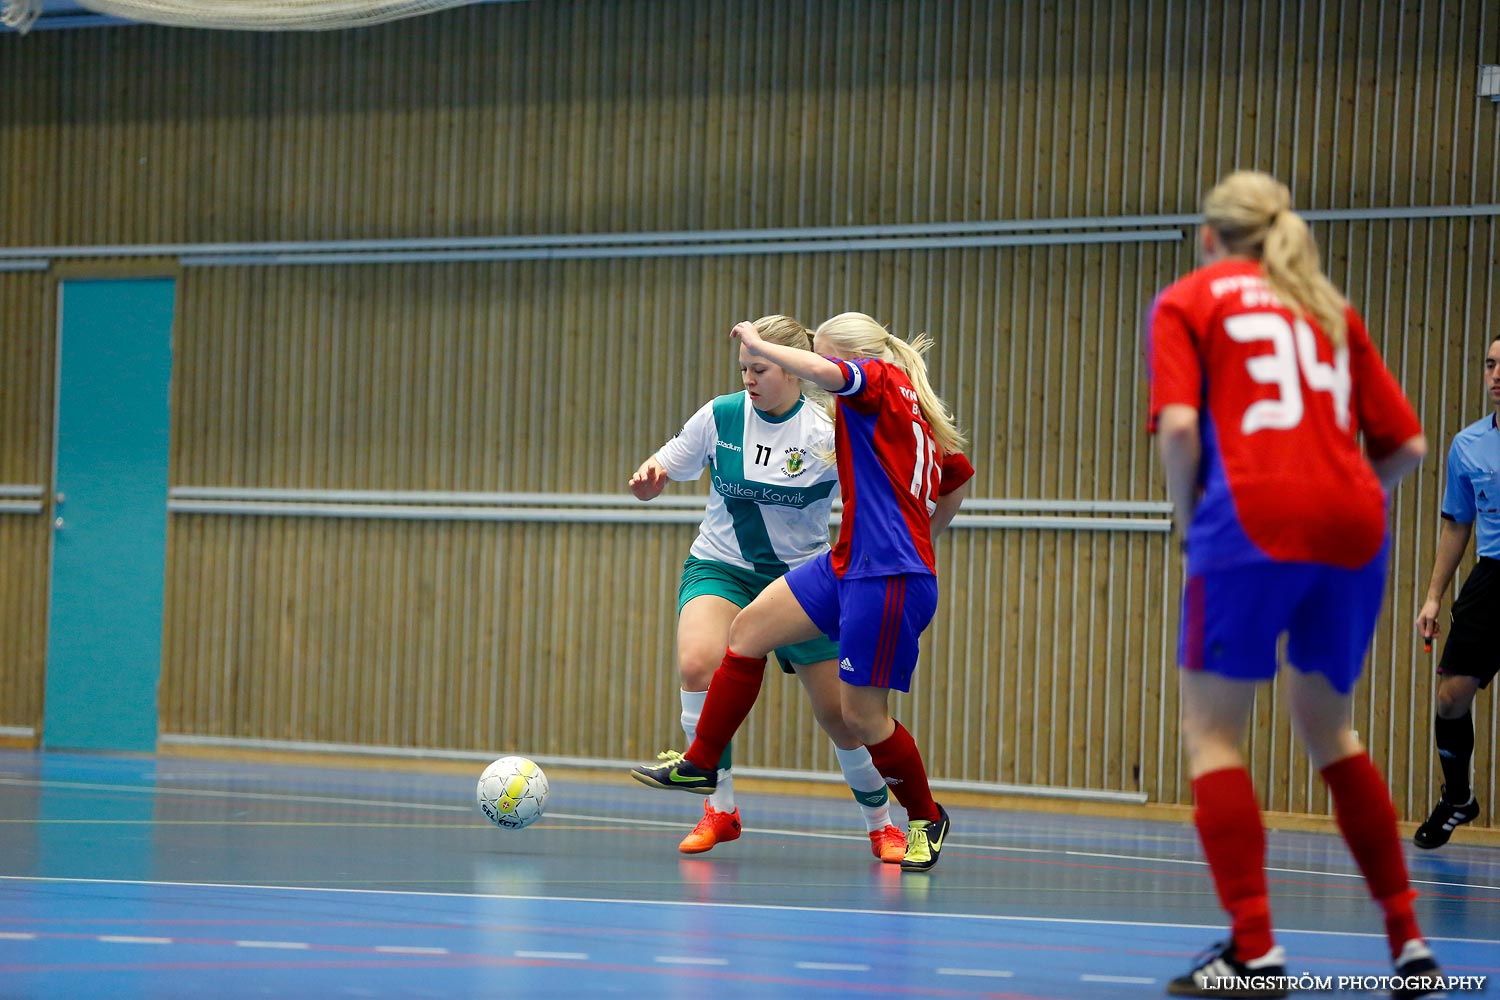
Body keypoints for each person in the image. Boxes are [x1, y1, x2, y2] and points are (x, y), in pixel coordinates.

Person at [1147, 170, 1442, 998]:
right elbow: (1409, 448)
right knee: (1332, 734)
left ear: (1209, 237)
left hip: (1249, 518)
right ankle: (1409, 942)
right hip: (1354, 521)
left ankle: (1256, 950)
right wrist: (1335, 494)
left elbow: (1176, 427)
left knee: (1212, 734)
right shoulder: (1327, 308)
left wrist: (1189, 520)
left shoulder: (1190, 299)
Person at [631, 311, 972, 874]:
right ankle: (702, 765)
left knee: (858, 718)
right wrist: (928, 533)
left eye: (826, 361)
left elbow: (949, 469)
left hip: (884, 575)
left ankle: (922, 815)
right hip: (843, 563)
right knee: (745, 633)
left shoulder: (880, 385)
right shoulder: (876, 406)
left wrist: (758, 340)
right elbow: (957, 472)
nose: (819, 371)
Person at [1412, 335, 1500, 850]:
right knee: (1449, 699)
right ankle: (1459, 798)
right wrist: (1432, 596)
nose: (1496, 374)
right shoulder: (1467, 446)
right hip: (1491, 579)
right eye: (1490, 364)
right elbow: (1455, 525)